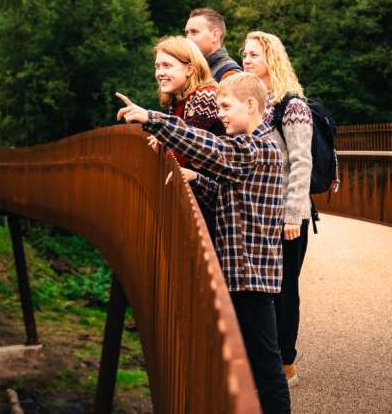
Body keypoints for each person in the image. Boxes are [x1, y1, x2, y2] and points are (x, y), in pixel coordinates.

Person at [116, 72, 290, 414]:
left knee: (266, 367)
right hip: (243, 274)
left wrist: (153, 119)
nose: (219, 114)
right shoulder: (250, 150)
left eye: (225, 107)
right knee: (252, 363)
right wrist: (197, 178)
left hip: (251, 278)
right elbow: (232, 202)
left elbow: (211, 148)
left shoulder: (256, 147)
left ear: (251, 105)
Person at [243, 31, 312, 388]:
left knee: (284, 290)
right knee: (264, 289)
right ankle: (264, 361)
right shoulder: (257, 101)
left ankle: (286, 365)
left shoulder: (292, 104)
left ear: (272, 57)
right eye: (245, 53)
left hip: (288, 215)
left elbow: (301, 162)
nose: (247, 58)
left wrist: (293, 215)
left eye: (254, 53)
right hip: (260, 211)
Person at [146, 36, 225, 238]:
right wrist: (166, 137)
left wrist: (165, 136)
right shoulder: (179, 101)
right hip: (199, 190)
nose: (160, 73)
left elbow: (185, 146)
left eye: (167, 66)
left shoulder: (204, 96)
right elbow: (180, 142)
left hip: (217, 197)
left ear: (189, 69)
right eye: (157, 66)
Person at [185, 8, 243, 83]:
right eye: (187, 33)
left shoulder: (231, 75)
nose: (187, 38)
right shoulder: (191, 70)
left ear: (215, 35)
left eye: (194, 32)